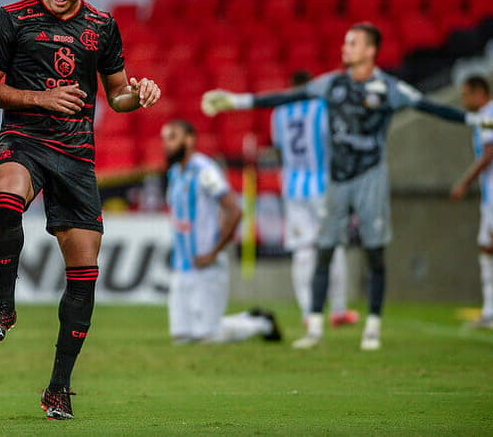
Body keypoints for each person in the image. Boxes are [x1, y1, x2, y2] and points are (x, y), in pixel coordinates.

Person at [202, 22, 492, 351]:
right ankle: (314, 327)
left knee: (374, 252)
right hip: (336, 180)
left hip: (371, 178)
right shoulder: (332, 84)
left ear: (370, 50)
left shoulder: (389, 88)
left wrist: (475, 119)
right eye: (345, 42)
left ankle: (373, 326)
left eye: (352, 43)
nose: (345, 48)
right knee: (324, 249)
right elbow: (287, 96)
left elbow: (428, 106)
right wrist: (236, 101)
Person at [0, 0, 160, 419]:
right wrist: (41, 99)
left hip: (77, 155)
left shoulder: (102, 26)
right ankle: (4, 303)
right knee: (7, 198)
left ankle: (58, 387)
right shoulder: (13, 19)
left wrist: (136, 95)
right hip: (25, 140)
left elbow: (116, 95)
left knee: (84, 274)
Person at [161, 119, 281, 344]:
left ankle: (261, 323)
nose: (166, 144)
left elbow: (234, 210)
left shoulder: (205, 171)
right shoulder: (174, 172)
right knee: (181, 338)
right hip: (182, 266)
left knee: (207, 336)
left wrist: (214, 252)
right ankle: (248, 317)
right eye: (164, 139)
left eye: (172, 137)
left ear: (189, 140)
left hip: (207, 265)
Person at [271, 70, 358, 325]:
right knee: (332, 244)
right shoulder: (321, 107)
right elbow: (335, 144)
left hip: (293, 188)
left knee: (302, 250)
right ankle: (338, 310)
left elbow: (278, 150)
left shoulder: (279, 113)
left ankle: (308, 312)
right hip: (322, 186)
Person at [450, 75, 493, 329]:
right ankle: (489, 310)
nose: (464, 100)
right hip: (488, 195)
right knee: (486, 247)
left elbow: (490, 152)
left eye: (466, 94)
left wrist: (464, 182)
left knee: (489, 247)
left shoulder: (488, 115)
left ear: (479, 92)